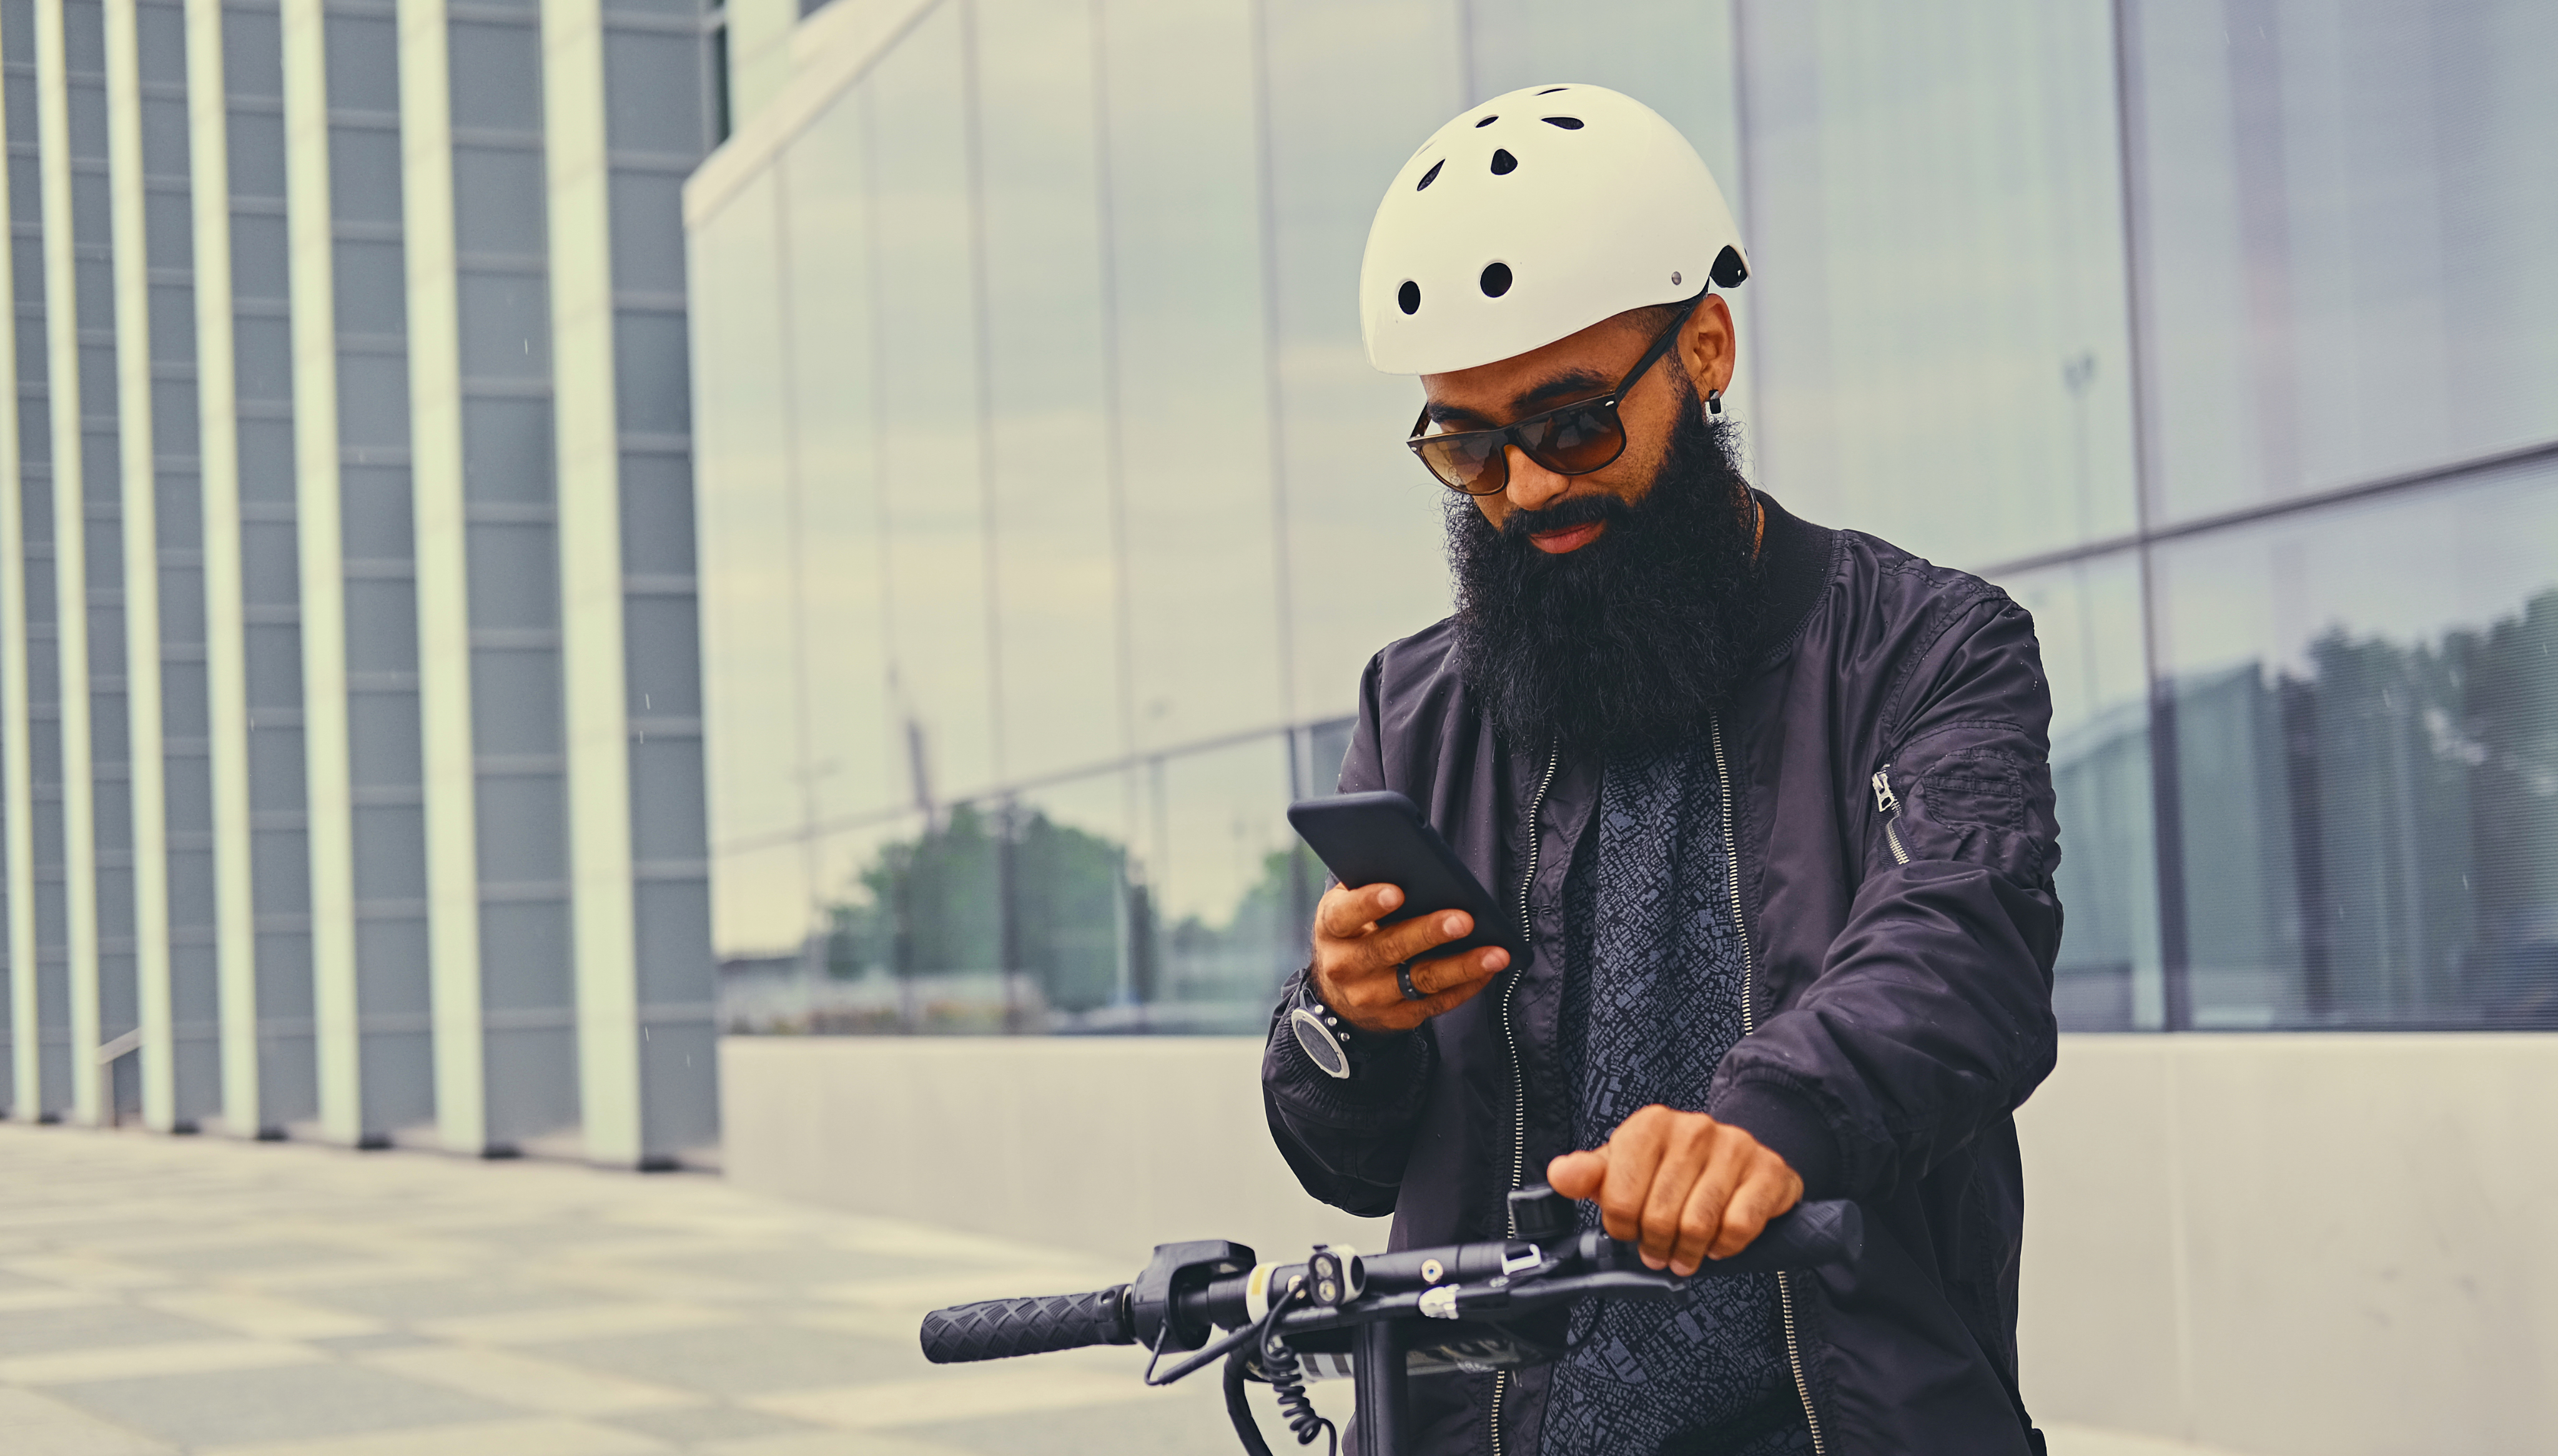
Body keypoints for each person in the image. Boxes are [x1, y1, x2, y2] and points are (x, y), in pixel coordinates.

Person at [1262, 86, 2062, 1456]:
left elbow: (1959, 947)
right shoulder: (1413, 702)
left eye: (1568, 423)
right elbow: (1348, 1162)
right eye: (1463, 443)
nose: (1520, 488)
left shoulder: (1929, 646)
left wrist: (1764, 1121)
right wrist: (1344, 1018)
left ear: (1704, 349)